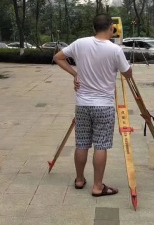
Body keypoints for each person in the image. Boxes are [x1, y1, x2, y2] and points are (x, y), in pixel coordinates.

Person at [53, 14, 132, 197]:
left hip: (82, 104)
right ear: (111, 28)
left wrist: (75, 74)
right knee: (101, 145)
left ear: (93, 28)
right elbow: (127, 74)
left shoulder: (80, 43)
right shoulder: (114, 49)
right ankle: (97, 186)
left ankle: (79, 180)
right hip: (104, 105)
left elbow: (58, 57)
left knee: (81, 143)